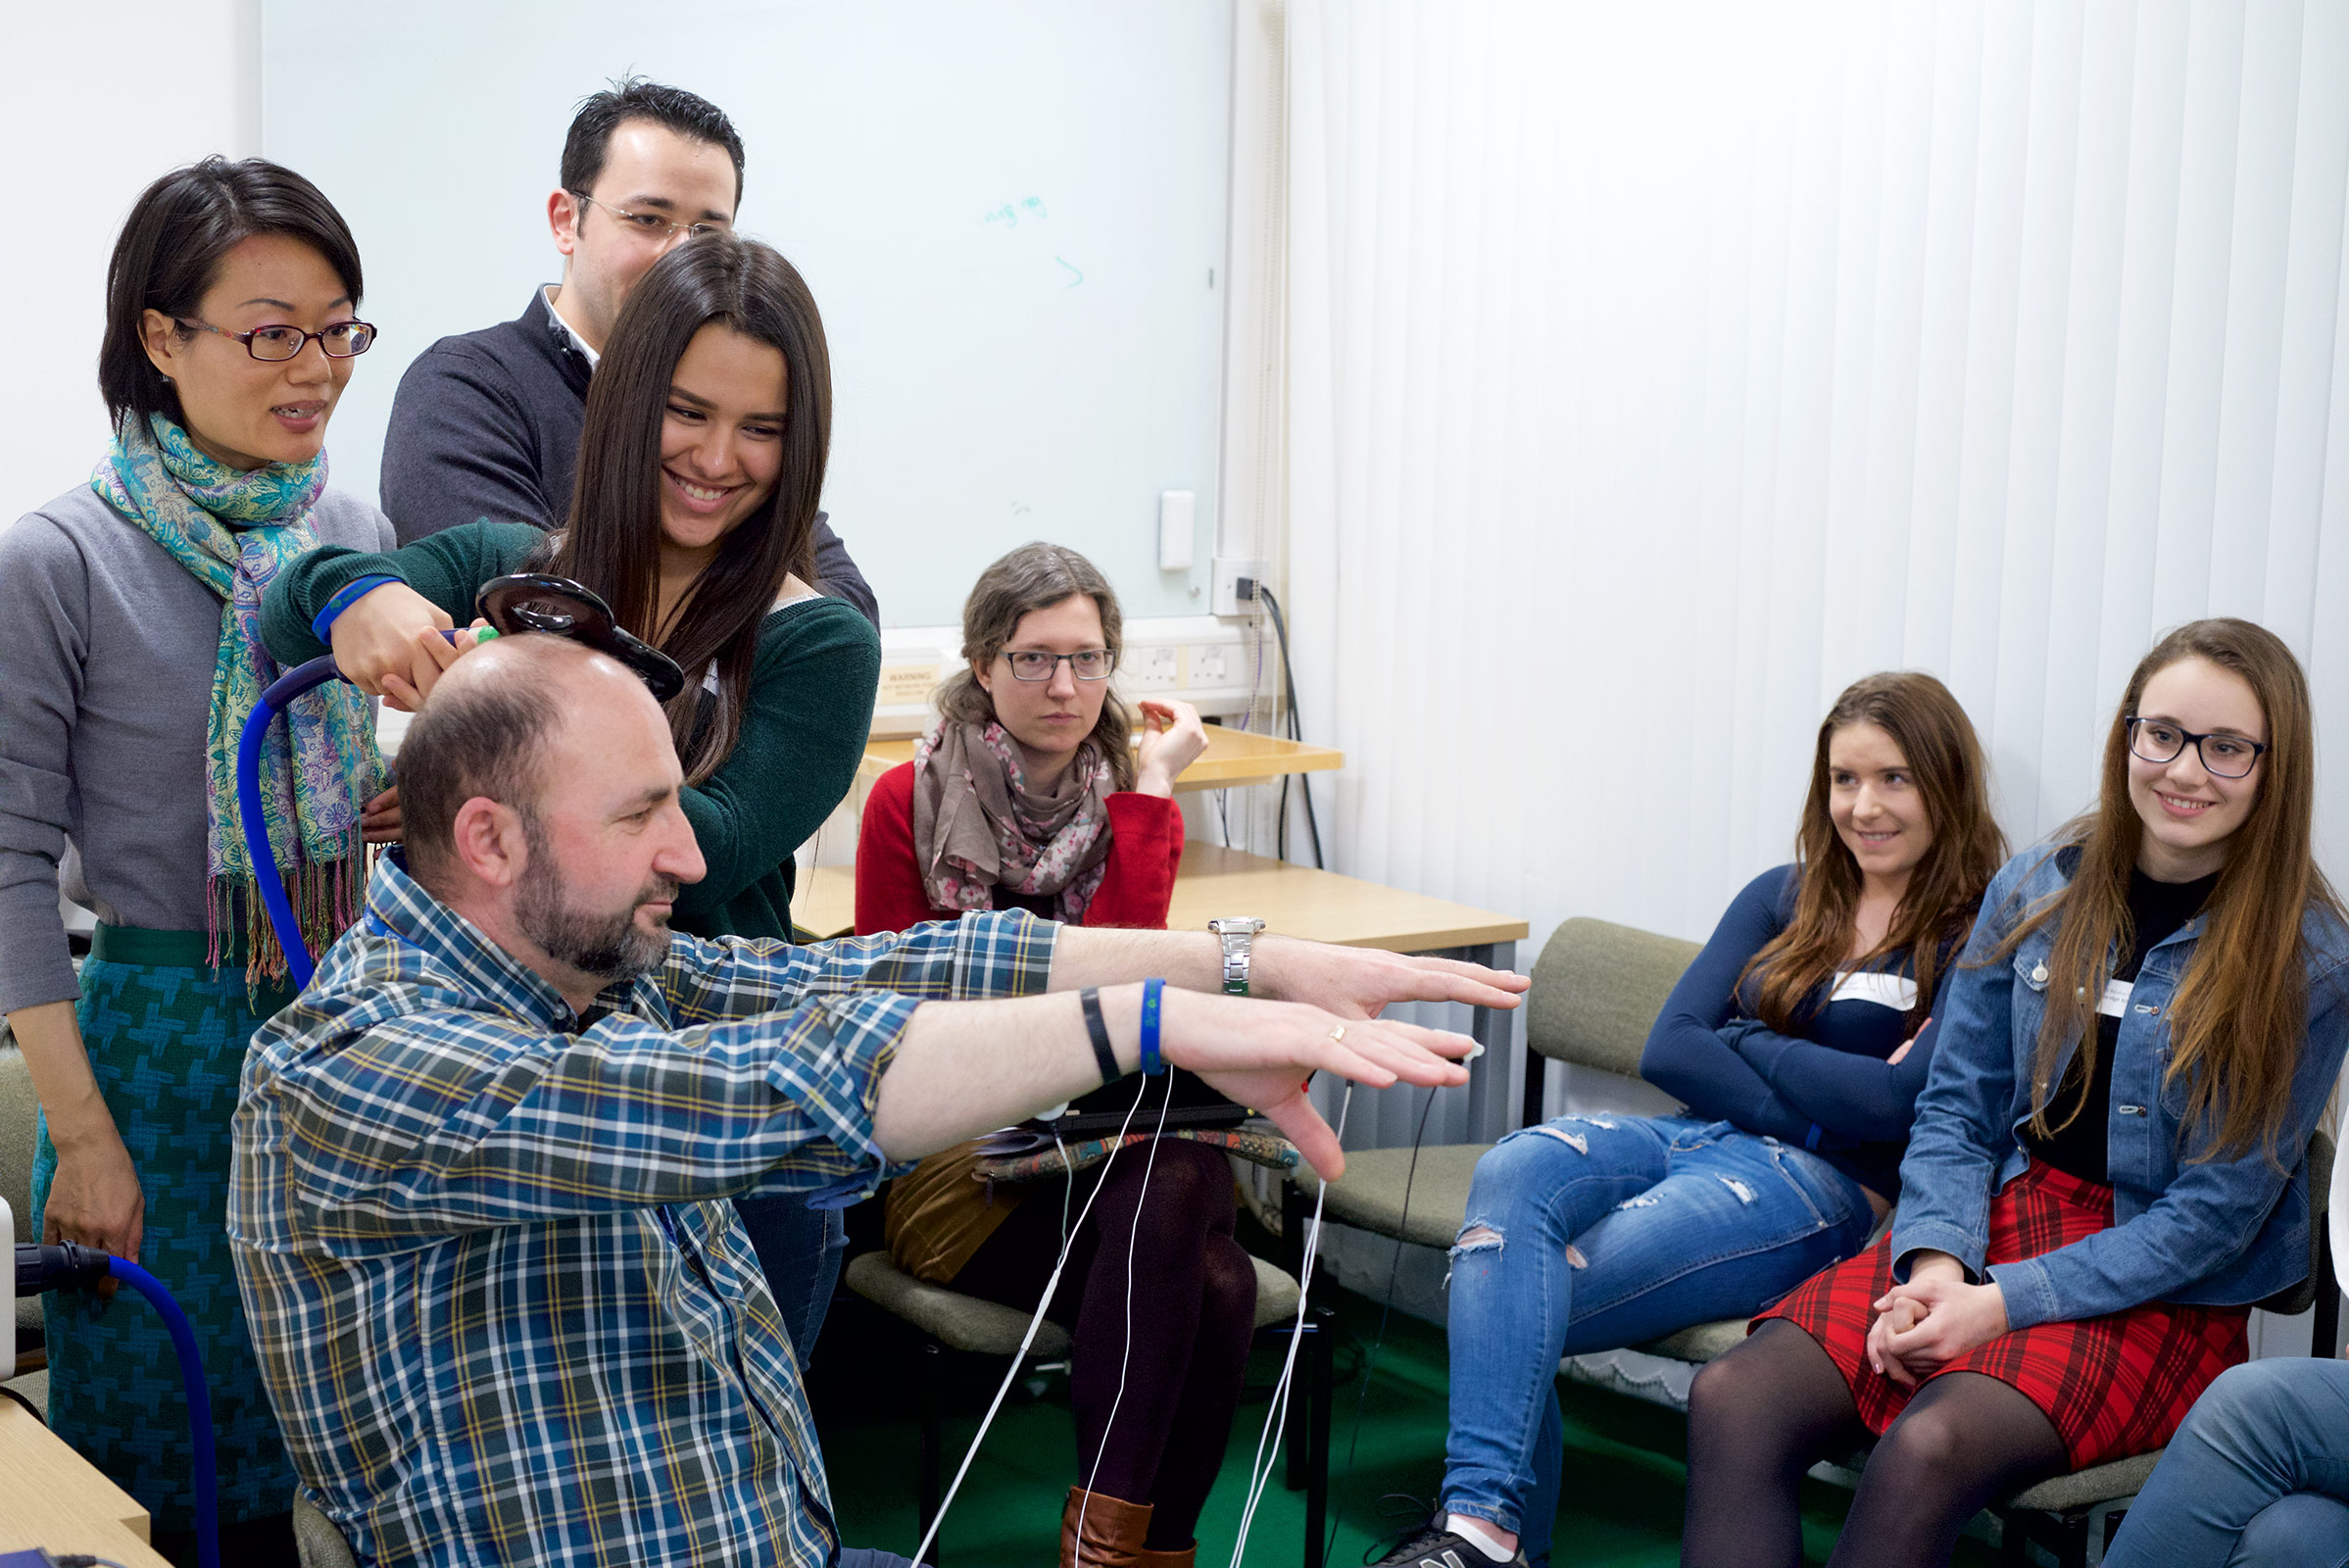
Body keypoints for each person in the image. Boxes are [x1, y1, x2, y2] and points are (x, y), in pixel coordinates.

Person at [224, 631, 1528, 1568]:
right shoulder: (357, 1070)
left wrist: (1236, 963)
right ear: (492, 840)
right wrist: (1147, 1024)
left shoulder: (599, 969)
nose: (686, 855)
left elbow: (901, 966)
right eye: (642, 817)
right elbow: (792, 1088)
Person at [261, 231, 879, 1365]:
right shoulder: (514, 562)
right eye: (687, 411)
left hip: (716, 1118)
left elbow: (709, 857)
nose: (718, 457)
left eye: (763, 429)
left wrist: (493, 771)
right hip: (510, 1111)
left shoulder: (819, 639)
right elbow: (287, 605)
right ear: (630, 398)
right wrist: (363, 596)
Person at [1681, 617, 2349, 1568]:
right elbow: (1956, 1109)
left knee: (1928, 1444)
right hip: (1997, 1214)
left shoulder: (2311, 960)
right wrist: (1941, 1268)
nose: (2186, 770)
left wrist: (1999, 1306)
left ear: (2273, 764)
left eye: (2227, 747)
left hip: (2157, 1288)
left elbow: (2212, 1218)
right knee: (1736, 1395)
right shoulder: (2038, 889)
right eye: (2161, 734)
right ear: (2127, 734)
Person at [1371, 671, 2003, 1568]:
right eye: (1844, 779)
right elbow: (1670, 1046)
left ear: (1946, 783)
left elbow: (1897, 1107)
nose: (1863, 806)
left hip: (1816, 1186)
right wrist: (1827, 1093)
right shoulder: (1783, 894)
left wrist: (1748, 1043)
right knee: (1513, 1170)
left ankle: (1479, 1539)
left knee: (1502, 1288)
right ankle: (1486, 1530)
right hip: (1684, 1133)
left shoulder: (1980, 931)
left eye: (1893, 778)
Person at [0, 157, 396, 1564]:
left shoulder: (351, 538)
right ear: (161, 338)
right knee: (170, 1461)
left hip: (342, 1030)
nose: (316, 369)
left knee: (342, 1443)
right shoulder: (58, 559)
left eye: (340, 328)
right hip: (156, 1056)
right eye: (271, 331)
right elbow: (7, 870)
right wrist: (87, 1135)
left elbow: (343, 785)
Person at [856, 543, 1234, 1566]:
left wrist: (1150, 781)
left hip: (1096, 1146)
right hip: (958, 1156)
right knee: (1211, 1278)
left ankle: (1107, 1555)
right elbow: (898, 1016)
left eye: (1088, 657)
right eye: (1032, 658)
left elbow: (1120, 975)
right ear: (982, 663)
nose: (1064, 686)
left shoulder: (1124, 798)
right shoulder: (911, 799)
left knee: (1191, 1215)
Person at [374, 74, 875, 625]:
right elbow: (528, 613)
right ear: (567, 220)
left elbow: (843, 614)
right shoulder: (466, 387)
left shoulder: (734, 410)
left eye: (709, 232)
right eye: (648, 220)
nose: (678, 256)